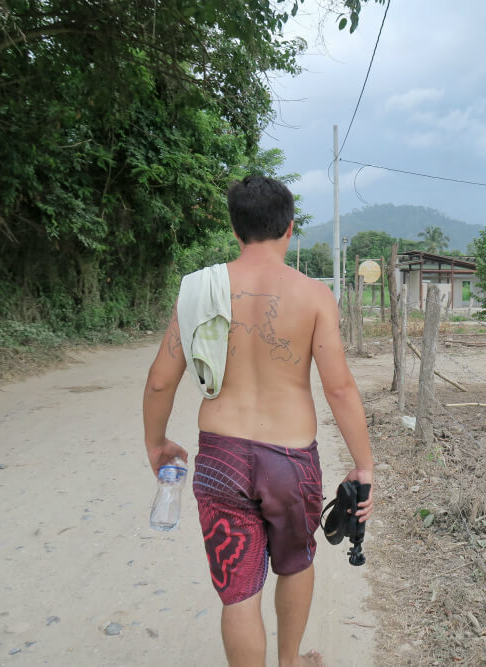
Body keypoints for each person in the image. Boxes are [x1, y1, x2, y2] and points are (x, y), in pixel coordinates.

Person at [142, 175, 374, 667]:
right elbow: (339, 388)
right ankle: (289, 662)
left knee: (239, 593)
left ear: (235, 228)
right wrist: (364, 466)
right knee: (295, 563)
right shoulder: (313, 296)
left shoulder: (198, 291)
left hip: (221, 459)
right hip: (290, 461)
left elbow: (161, 381)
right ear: (291, 228)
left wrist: (157, 442)